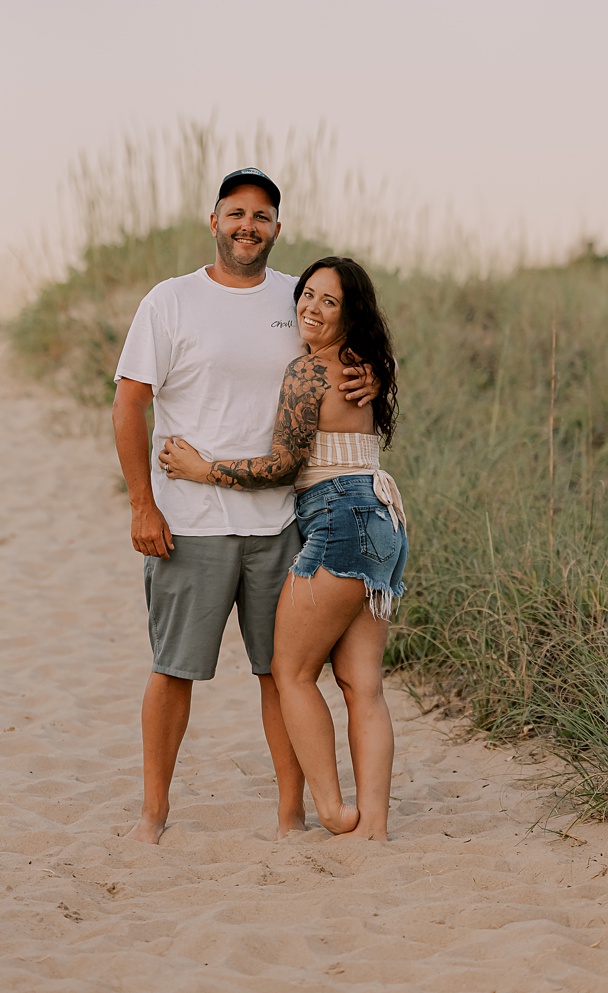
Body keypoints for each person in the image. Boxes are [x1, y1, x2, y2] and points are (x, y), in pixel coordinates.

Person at [112, 169, 378, 844]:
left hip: (281, 526)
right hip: (189, 523)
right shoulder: (171, 301)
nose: (248, 226)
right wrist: (143, 504)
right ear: (214, 220)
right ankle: (153, 814)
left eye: (262, 216)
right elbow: (130, 402)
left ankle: (291, 815)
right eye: (236, 213)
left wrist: (371, 372)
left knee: (279, 674)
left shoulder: (296, 301)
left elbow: (342, 356)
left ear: (277, 229)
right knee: (174, 670)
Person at [160, 256, 407, 842]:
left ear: (352, 314)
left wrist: (203, 468)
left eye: (329, 301)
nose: (311, 308)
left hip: (336, 516)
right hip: (383, 518)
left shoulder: (310, 372)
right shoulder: (362, 367)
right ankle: (373, 827)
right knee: (361, 683)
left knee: (290, 671)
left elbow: (281, 466)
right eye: (308, 295)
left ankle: (333, 812)